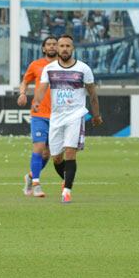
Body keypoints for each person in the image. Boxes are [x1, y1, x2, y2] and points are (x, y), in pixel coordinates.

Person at [32, 34, 103, 204]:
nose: (64, 49)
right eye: (61, 46)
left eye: (67, 46)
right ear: (57, 48)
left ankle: (67, 191)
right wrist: (36, 102)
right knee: (56, 157)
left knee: (70, 152)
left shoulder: (83, 69)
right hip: (56, 117)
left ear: (73, 49)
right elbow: (42, 88)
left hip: (75, 115)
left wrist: (96, 115)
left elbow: (92, 94)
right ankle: (67, 179)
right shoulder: (49, 69)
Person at [18, 36, 57, 198]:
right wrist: (22, 93)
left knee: (48, 154)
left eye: (54, 44)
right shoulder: (36, 65)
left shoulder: (64, 66)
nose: (52, 46)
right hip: (39, 113)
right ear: (43, 48)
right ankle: (36, 185)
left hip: (58, 115)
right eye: (48, 44)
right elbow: (25, 81)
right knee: (39, 148)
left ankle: (30, 176)